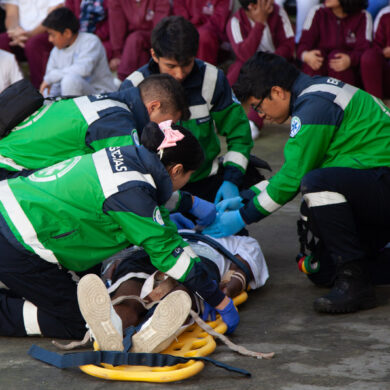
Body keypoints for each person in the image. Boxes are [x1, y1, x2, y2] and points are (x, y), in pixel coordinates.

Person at [0, 120, 239, 340]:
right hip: (17, 239)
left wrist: (189, 203)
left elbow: (145, 194)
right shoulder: (133, 194)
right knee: (87, 323)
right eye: (188, 175)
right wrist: (219, 300)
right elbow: (168, 254)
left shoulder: (128, 154)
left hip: (12, 205)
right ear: (176, 170)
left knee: (78, 293)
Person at [204, 51, 390, 315]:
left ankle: (356, 283)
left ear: (278, 92)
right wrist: (246, 196)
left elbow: (294, 178)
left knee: (317, 184)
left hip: (381, 179)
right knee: (322, 271)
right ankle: (359, 267)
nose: (261, 115)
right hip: (372, 182)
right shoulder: (315, 95)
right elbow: (291, 171)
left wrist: (243, 216)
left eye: (258, 106)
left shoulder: (314, 106)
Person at [121, 16, 256, 204]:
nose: (179, 74)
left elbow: (240, 134)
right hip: (152, 188)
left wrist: (231, 180)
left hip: (205, 182)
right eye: (170, 66)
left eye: (186, 64)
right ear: (154, 55)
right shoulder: (133, 88)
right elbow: (124, 148)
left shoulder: (213, 79)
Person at [78, 227, 269, 352]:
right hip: (157, 248)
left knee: (181, 289)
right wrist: (222, 296)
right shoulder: (163, 217)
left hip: (178, 251)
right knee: (138, 281)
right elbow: (244, 265)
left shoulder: (232, 236)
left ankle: (117, 324)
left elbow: (245, 264)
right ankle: (144, 331)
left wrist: (226, 290)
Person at [0, 74, 189, 179]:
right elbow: (130, 181)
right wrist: (187, 203)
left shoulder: (103, 102)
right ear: (153, 106)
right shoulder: (117, 122)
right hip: (10, 174)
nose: (166, 129)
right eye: (168, 122)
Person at [40, 7, 116, 97]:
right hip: (76, 99)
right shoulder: (55, 52)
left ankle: (71, 111)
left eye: (52, 35)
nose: (50, 39)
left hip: (102, 96)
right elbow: (51, 85)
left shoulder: (90, 41)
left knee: (70, 81)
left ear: (67, 33)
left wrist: (51, 78)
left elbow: (83, 70)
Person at [297, 0, 371, 87]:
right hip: (320, 67)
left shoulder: (363, 16)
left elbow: (366, 50)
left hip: (346, 73)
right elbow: (303, 44)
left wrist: (350, 59)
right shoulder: (317, 11)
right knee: (314, 59)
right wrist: (306, 56)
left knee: (337, 58)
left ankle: (343, 99)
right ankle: (310, 97)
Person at [226, 0, 295, 86]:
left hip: (276, 63)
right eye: (266, 0)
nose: (272, 1)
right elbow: (244, 55)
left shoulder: (278, 12)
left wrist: (267, 63)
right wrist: (260, 23)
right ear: (253, 6)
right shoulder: (235, 22)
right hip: (251, 68)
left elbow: (288, 46)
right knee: (236, 70)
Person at [0, 0, 64, 88]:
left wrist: (29, 35)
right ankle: (8, 90)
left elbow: (53, 15)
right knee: (2, 40)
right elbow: (11, 15)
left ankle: (39, 90)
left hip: (45, 32)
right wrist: (14, 32)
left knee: (34, 44)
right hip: (19, 36)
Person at [108, 0, 170, 81]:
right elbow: (117, 27)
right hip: (132, 46)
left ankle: (121, 81)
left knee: (135, 39)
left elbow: (160, 29)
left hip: (157, 40)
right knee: (138, 50)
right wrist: (117, 54)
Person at [172, 0, 233, 66]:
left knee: (204, 36)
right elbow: (180, 17)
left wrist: (196, 24)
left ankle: (203, 73)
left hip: (214, 40)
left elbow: (218, 22)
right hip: (187, 32)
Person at [361, 4, 390, 99]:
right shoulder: (385, 14)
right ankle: (376, 105)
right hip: (387, 72)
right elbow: (376, 47)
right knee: (369, 57)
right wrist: (383, 52)